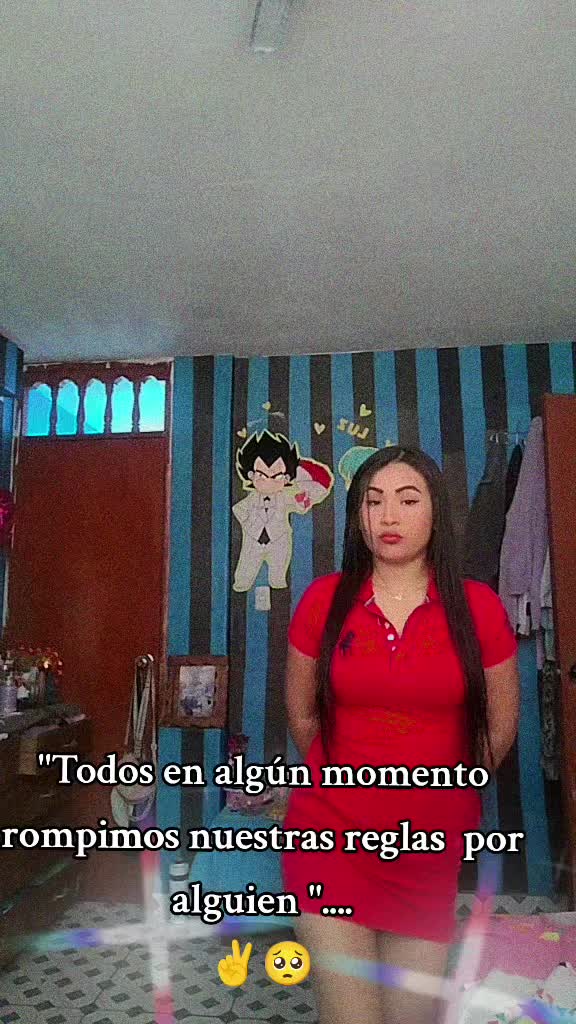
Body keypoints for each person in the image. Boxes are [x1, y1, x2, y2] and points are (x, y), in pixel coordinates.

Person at [282, 446, 520, 1024]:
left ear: (435, 511)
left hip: (428, 854)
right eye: (374, 501)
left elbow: (498, 729)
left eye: (408, 501)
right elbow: (303, 717)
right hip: (330, 841)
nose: (388, 517)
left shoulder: (479, 607)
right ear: (357, 516)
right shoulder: (323, 601)